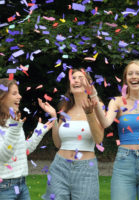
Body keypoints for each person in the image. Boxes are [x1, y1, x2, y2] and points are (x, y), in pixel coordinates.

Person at [87, 60, 139, 200]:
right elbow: (105, 123)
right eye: (130, 74)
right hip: (125, 162)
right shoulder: (116, 101)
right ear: (126, 79)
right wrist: (94, 96)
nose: (133, 77)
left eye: (138, 73)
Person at [0, 78, 54, 200]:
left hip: (21, 184)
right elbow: (3, 155)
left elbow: (22, 150)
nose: (19, 97)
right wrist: (14, 128)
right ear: (1, 97)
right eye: (14, 93)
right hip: (0, 188)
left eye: (18, 93)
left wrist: (39, 131)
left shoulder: (13, 121)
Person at [41, 68, 104, 200]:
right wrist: (54, 117)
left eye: (81, 78)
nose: (76, 80)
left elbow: (98, 139)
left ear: (89, 85)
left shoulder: (98, 106)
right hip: (59, 166)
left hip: (85, 169)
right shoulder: (64, 108)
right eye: (73, 78)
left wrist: (90, 114)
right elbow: (58, 143)